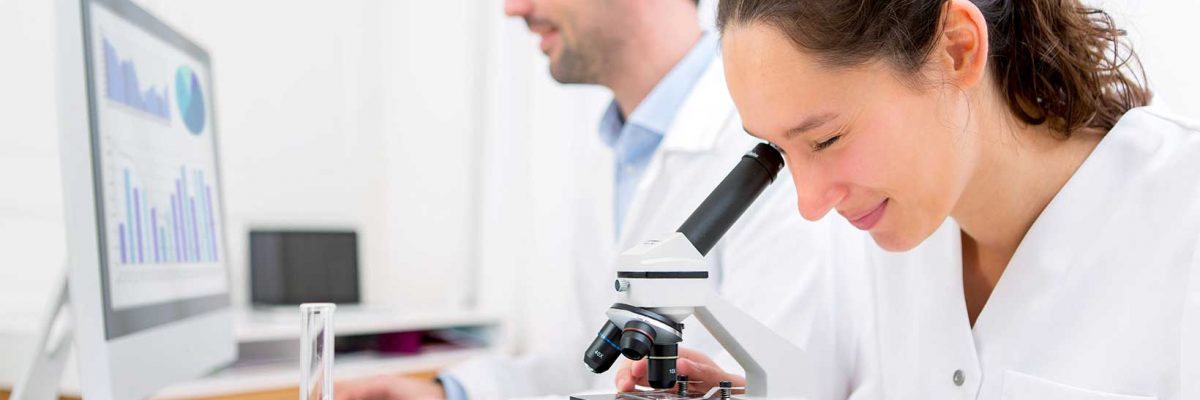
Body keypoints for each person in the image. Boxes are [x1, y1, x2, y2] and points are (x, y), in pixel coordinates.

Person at [619, 0, 1200, 398]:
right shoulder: (899, 232)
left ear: (956, 49)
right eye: (779, 152)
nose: (811, 203)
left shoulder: (1182, 220)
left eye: (826, 138)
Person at [335, 0, 860, 398]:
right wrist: (450, 393)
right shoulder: (618, 149)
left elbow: (781, 378)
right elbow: (590, 362)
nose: (513, 8)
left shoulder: (783, 140)